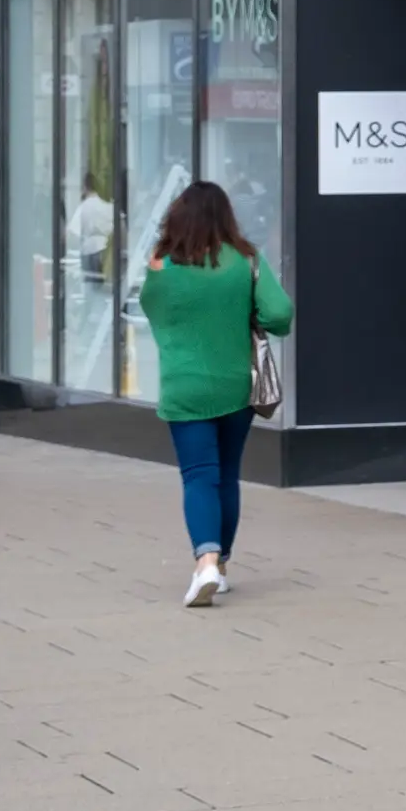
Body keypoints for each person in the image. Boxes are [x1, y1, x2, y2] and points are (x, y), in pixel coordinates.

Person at [139, 181, 290, 608]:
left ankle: (204, 560)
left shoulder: (161, 263)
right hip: (235, 384)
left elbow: (151, 308)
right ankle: (220, 566)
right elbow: (279, 314)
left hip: (184, 386)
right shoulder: (246, 259)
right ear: (226, 216)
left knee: (198, 475)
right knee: (227, 474)